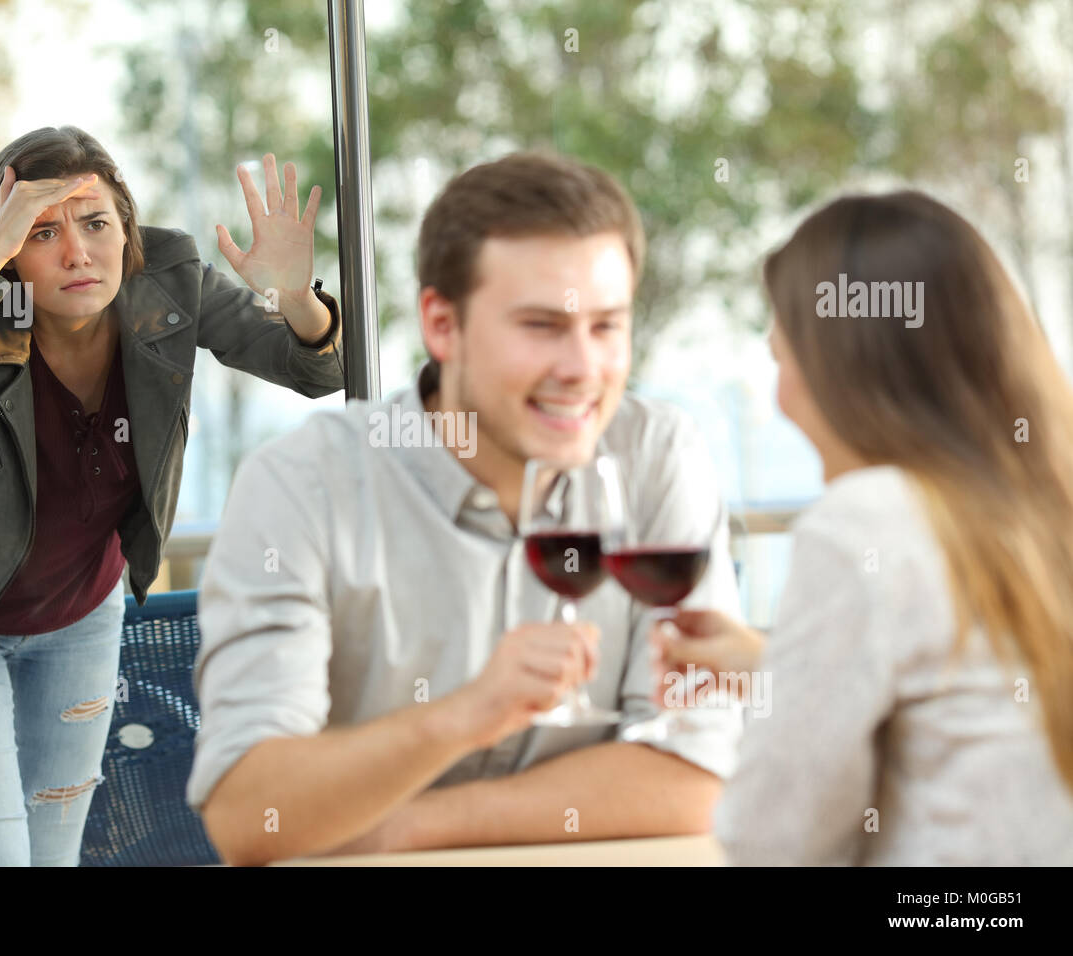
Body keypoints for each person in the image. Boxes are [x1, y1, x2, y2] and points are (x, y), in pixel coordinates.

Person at [188, 151, 743, 866]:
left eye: (606, 326)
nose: (583, 369)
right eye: (542, 326)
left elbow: (694, 777)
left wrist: (399, 827)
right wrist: (460, 718)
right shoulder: (302, 486)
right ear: (442, 325)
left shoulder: (656, 454)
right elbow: (250, 814)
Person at [0, 125, 343, 866]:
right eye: (41, 233)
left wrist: (295, 298)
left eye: (95, 224)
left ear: (126, 230)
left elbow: (317, 372)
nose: (77, 253)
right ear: (9, 254)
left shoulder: (171, 284)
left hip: (80, 618)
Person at [651, 190, 1073, 864]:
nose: (778, 394)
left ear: (839, 371)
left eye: (779, 358)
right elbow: (972, 700)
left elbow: (774, 841)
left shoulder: (868, 520)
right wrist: (777, 665)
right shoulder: (1039, 509)